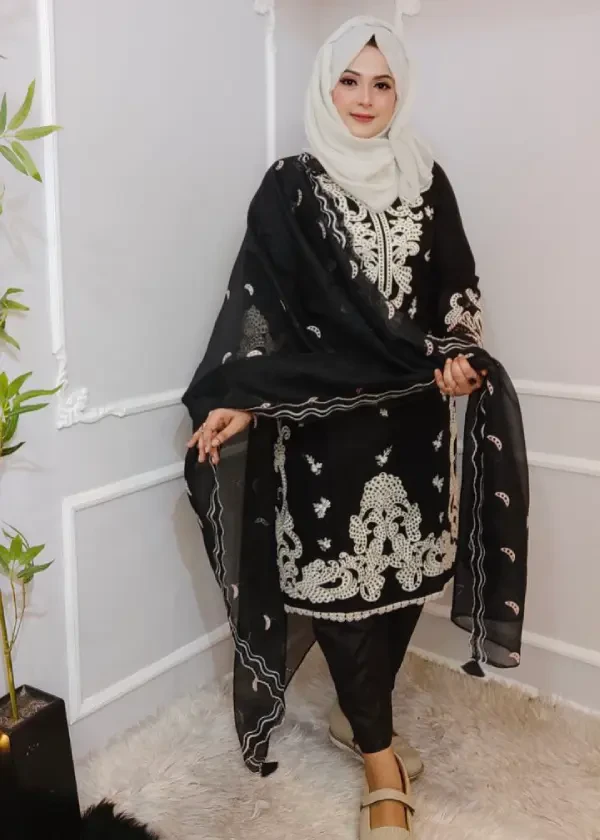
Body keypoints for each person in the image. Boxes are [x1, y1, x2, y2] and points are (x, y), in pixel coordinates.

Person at [183, 16, 528, 839]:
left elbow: (457, 289)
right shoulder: (290, 187)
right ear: (325, 87)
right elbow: (262, 307)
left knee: (409, 579)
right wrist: (242, 396)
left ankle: (355, 716)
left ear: (400, 94)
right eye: (349, 80)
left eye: (382, 84)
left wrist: (460, 354)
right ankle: (379, 761)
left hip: (416, 418)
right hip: (323, 426)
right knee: (337, 592)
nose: (365, 99)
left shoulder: (427, 180)